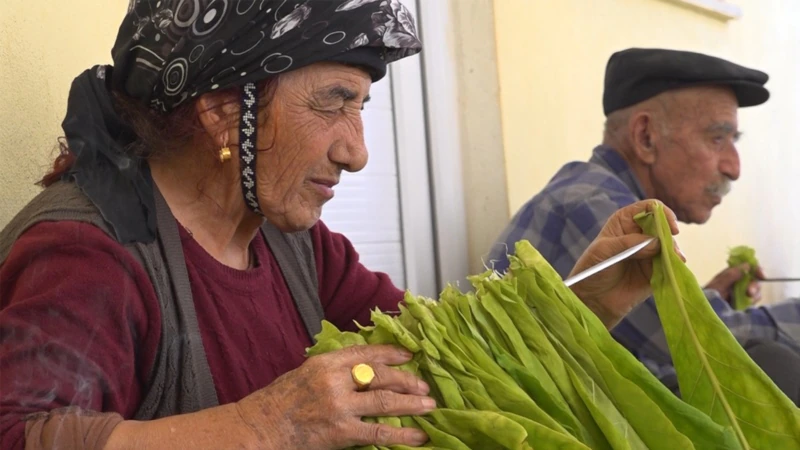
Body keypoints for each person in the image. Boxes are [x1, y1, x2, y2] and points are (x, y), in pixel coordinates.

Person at [0, 4, 681, 450]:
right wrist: (264, 425)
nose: (356, 151)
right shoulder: (86, 256)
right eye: (333, 104)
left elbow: (427, 370)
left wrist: (586, 299)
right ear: (218, 111)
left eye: (361, 109)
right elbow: (21, 435)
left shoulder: (296, 245)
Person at [487, 48, 800, 401]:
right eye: (716, 138)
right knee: (773, 366)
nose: (733, 167)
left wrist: (701, 298)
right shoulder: (592, 207)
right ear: (646, 137)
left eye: (734, 141)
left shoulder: (594, 193)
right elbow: (712, 351)